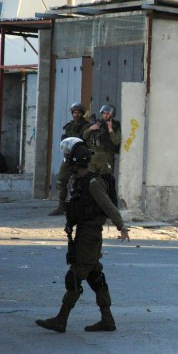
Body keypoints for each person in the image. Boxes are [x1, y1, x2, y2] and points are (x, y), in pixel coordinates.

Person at [36, 137, 130, 333]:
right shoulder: (79, 181)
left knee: (75, 277)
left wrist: (121, 226)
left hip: (90, 235)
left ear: (74, 161)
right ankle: (107, 320)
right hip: (84, 234)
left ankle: (61, 319)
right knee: (95, 276)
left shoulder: (93, 182)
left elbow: (108, 206)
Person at [49, 102, 91, 216]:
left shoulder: (87, 126)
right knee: (61, 180)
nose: (76, 115)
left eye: (78, 113)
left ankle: (80, 207)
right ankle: (61, 206)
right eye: (74, 112)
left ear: (82, 113)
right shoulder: (69, 126)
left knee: (81, 183)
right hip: (68, 157)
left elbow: (85, 140)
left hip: (80, 158)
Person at [83, 104, 121, 175]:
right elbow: (85, 136)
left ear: (111, 115)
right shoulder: (97, 123)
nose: (105, 115)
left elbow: (116, 141)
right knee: (92, 179)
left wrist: (110, 129)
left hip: (106, 157)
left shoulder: (115, 126)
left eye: (107, 113)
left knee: (105, 180)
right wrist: (91, 128)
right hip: (94, 156)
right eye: (104, 113)